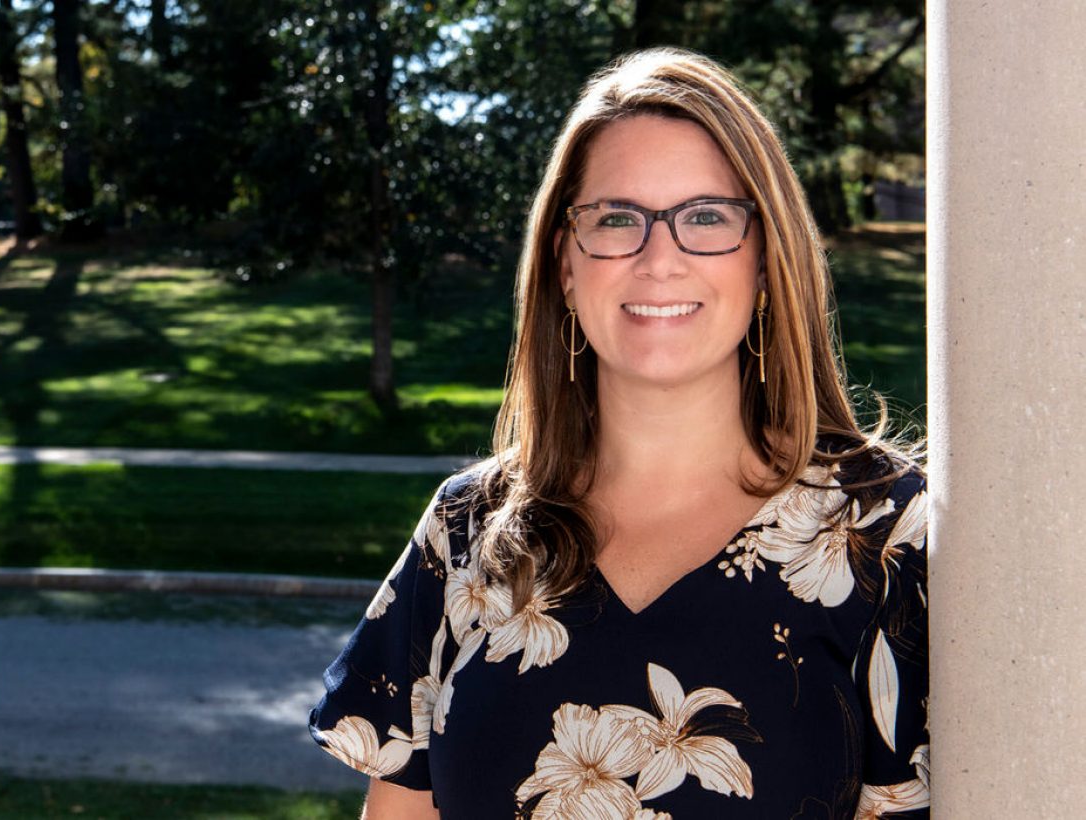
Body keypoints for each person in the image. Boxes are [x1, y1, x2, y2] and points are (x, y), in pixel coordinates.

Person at [308, 47, 929, 820]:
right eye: (615, 219)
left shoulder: (888, 536)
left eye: (706, 217)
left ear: (767, 260)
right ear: (566, 264)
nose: (658, 258)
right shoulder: (466, 533)